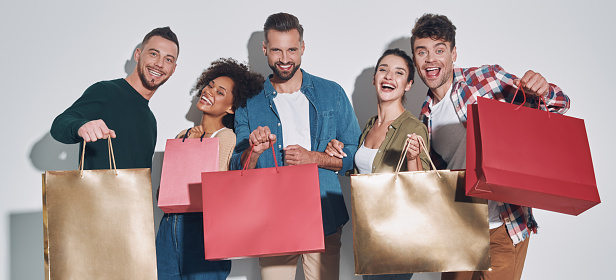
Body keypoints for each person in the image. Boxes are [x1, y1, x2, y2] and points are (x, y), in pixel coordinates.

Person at [410, 14, 570, 280]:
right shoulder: (423, 120)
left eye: (439, 50)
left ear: (454, 54)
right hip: (459, 229)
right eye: (422, 51)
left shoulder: (485, 79)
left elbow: (559, 105)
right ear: (415, 59)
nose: (430, 59)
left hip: (503, 227)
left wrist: (543, 91)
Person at [229, 12, 361, 280]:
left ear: (302, 48)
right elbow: (235, 167)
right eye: (276, 50)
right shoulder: (249, 102)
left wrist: (315, 158)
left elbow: (354, 156)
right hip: (272, 218)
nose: (285, 58)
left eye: (291, 49)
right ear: (265, 50)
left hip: (323, 215)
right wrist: (253, 151)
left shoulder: (331, 93)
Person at [155, 58, 264, 280]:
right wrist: (188, 145)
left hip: (204, 231)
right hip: (168, 227)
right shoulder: (182, 135)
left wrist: (195, 148)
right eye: (210, 85)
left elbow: (220, 194)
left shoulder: (226, 138)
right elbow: (163, 194)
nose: (209, 91)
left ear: (231, 108)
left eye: (220, 92)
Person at [326, 48, 430, 280]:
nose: (389, 77)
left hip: (398, 236)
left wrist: (413, 158)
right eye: (383, 70)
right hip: (369, 233)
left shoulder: (413, 128)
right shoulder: (370, 126)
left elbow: (422, 189)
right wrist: (336, 150)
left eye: (399, 73)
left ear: (409, 84)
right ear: (374, 79)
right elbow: (361, 171)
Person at [50, 27, 179, 170]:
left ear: (173, 69)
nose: (159, 64)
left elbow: (142, 181)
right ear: (138, 55)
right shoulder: (106, 91)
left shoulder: (151, 121)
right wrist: (80, 126)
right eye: (154, 54)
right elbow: (59, 125)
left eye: (168, 59)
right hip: (94, 193)